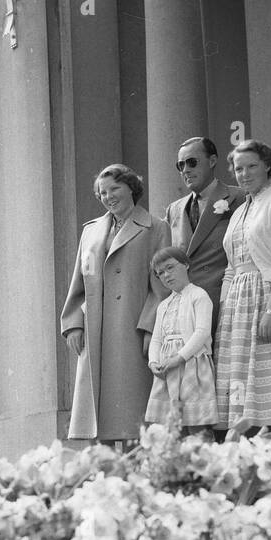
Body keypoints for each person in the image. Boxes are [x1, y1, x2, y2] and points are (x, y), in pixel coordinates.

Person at [61, 163, 171, 444]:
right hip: (95, 328)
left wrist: (150, 329)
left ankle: (137, 473)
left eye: (114, 189)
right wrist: (73, 323)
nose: (108, 197)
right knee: (100, 412)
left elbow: (160, 285)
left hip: (132, 325)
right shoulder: (91, 231)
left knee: (134, 410)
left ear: (131, 186)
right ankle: (107, 475)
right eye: (102, 193)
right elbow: (79, 282)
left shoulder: (156, 228)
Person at [215, 139, 271, 440]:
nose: (245, 174)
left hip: (265, 298)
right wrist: (224, 315)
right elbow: (230, 266)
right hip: (237, 307)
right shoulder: (240, 210)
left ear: (267, 165)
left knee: (269, 388)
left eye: (252, 166)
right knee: (241, 394)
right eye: (239, 169)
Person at [144, 137, 245, 354]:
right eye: (180, 165)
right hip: (187, 313)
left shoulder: (239, 197)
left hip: (225, 304)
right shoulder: (175, 209)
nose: (185, 170)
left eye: (192, 162)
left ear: (212, 161)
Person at [144, 247, 217, 435]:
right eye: (160, 273)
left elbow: (201, 332)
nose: (166, 275)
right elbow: (157, 339)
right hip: (168, 369)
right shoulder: (164, 305)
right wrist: (153, 362)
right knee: (170, 424)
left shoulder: (199, 296)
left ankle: (199, 456)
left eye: (170, 268)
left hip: (192, 364)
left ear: (185, 264)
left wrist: (180, 357)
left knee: (195, 421)